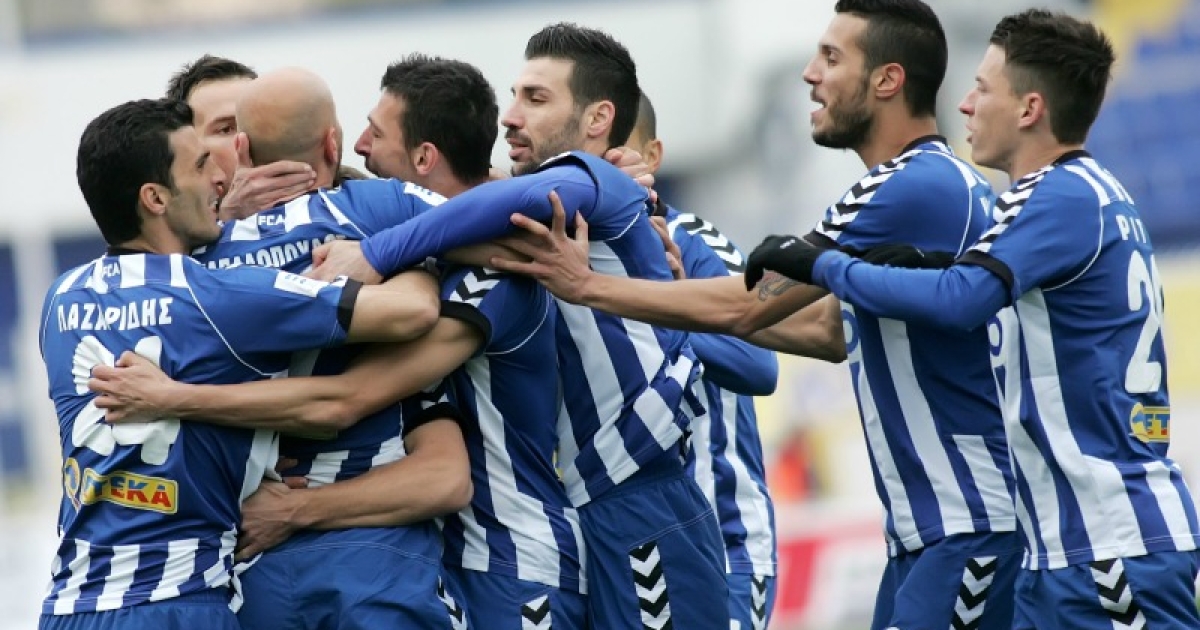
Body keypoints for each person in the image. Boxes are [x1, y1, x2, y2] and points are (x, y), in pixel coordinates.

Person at [489, 3, 1025, 629]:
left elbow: (750, 308)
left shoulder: (911, 184)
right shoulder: (915, 187)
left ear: (887, 80)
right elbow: (826, 331)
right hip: (932, 529)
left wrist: (589, 285)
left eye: (831, 58)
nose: (810, 74)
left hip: (970, 519)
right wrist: (675, 294)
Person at [93, 55, 588, 629]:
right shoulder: (382, 215)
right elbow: (515, 237)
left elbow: (423, 454)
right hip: (327, 565)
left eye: (234, 132)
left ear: (246, 149)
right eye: (211, 141)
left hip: (319, 561)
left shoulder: (188, 275)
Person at [745, 9, 1200, 629]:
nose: (964, 104)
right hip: (1060, 548)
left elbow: (962, 299)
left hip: (1108, 544)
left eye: (982, 89)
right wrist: (921, 267)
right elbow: (972, 291)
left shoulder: (1057, 196)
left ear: (1029, 109)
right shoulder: (1078, 195)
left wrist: (826, 265)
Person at [308, 23, 733, 629]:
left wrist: (375, 251)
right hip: (595, 507)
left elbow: (513, 200)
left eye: (535, 98)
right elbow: (475, 205)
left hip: (643, 500)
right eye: (514, 96)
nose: (511, 116)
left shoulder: (598, 180)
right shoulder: (544, 205)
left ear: (597, 119)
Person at [38, 97, 440, 630]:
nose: (220, 182)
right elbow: (411, 313)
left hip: (68, 603)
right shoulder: (218, 295)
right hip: (177, 604)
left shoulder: (60, 299)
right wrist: (405, 257)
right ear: (155, 197)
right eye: (201, 165)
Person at [629, 91, 782, 629]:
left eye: (619, 152)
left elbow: (758, 363)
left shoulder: (692, 239)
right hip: (637, 549)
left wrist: (649, 310)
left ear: (652, 156)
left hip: (724, 543)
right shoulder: (580, 259)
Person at [165, 54, 318, 221]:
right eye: (226, 129)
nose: (252, 137)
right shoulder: (168, 229)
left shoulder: (333, 198)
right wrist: (228, 219)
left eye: (259, 122)